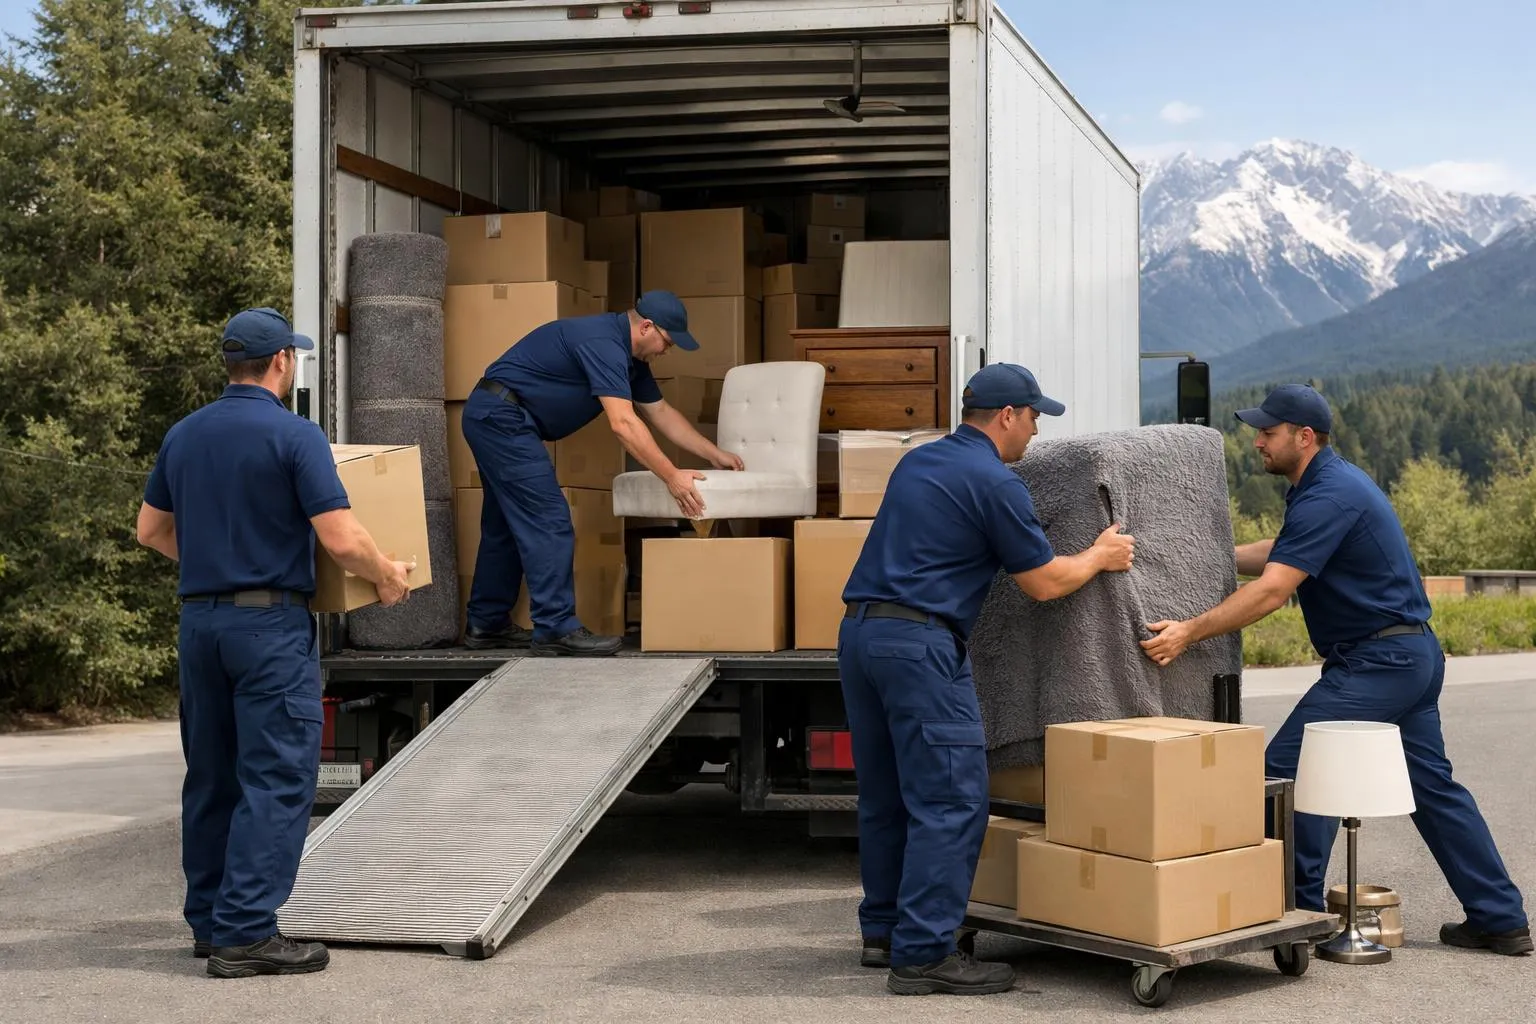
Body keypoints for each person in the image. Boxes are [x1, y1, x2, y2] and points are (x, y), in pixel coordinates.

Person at [1139, 383, 1532, 957]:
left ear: (1304, 437)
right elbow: (1283, 549)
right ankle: (1499, 918)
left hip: (1380, 662)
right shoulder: (1325, 486)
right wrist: (1207, 553)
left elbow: (1273, 589)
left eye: (1268, 433)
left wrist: (1188, 631)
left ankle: (1298, 914)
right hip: (1406, 656)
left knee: (1294, 768)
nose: (1258, 442)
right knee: (1432, 789)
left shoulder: (1329, 494)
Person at [838, 363, 1137, 996]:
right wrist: (1100, 555)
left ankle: (884, 931)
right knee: (952, 799)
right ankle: (924, 955)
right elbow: (1044, 583)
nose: (1035, 431)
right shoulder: (996, 482)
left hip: (862, 636)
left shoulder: (918, 461)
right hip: (920, 646)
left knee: (887, 795)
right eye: (1033, 417)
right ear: (1007, 416)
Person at [136, 307, 414, 977]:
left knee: (212, 777)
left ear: (231, 363)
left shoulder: (184, 434)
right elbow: (340, 538)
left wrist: (217, 567)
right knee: (276, 777)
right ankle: (245, 934)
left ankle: (211, 924)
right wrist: (386, 576)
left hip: (201, 624)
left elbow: (150, 531)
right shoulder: (295, 435)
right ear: (283, 361)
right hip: (267, 629)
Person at [460, 289, 741, 656]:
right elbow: (623, 424)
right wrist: (671, 475)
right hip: (502, 417)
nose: (666, 352)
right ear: (646, 327)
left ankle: (487, 624)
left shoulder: (631, 360)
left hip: (496, 417)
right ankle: (555, 628)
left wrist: (714, 454)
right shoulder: (603, 344)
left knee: (505, 526)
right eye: (667, 342)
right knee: (549, 518)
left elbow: (660, 413)